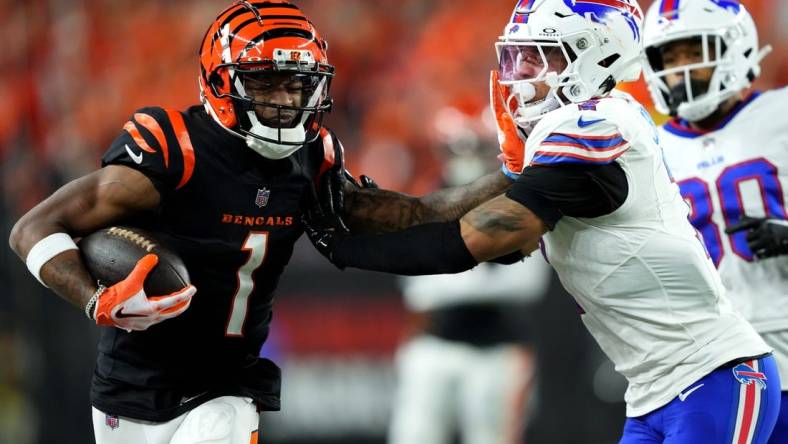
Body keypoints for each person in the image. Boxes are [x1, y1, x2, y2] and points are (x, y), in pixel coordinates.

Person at [7, 1, 514, 442]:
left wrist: (522, 174)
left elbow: (415, 213)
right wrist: (96, 299)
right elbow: (31, 229)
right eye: (265, 83)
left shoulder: (314, 161)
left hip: (224, 387)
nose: (284, 101)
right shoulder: (174, 148)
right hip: (126, 385)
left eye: (297, 86)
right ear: (219, 81)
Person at [304, 0, 782, 442]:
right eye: (517, 58)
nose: (520, 75)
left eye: (540, 57)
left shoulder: (596, 125)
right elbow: (438, 209)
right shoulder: (572, 136)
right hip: (653, 391)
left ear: (596, 57)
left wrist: (348, 251)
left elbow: (471, 239)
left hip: (713, 375)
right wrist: (346, 204)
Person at [642, 1, 788, 442]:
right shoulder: (647, 146)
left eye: (693, 51)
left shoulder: (780, 114)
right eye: (670, 58)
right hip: (713, 361)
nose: (683, 69)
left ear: (735, 46)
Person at [388, 136, 551, 444]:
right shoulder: (425, 203)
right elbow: (417, 289)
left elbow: (527, 284)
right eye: (458, 149)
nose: (467, 160)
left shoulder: (515, 207)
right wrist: (480, 274)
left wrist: (451, 274)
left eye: (477, 149)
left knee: (492, 438)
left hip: (497, 349)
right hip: (435, 345)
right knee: (415, 434)